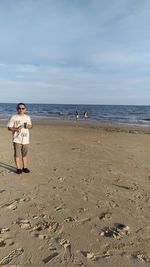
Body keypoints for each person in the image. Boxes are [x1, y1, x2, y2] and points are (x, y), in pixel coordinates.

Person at [8, 103, 32, 174]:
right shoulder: (13, 117)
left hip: (25, 139)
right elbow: (9, 128)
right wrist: (15, 129)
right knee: (17, 154)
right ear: (17, 109)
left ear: (25, 109)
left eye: (22, 108)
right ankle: (18, 168)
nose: (21, 109)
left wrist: (23, 125)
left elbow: (31, 126)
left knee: (24, 154)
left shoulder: (27, 117)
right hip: (16, 138)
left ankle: (24, 167)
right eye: (19, 108)